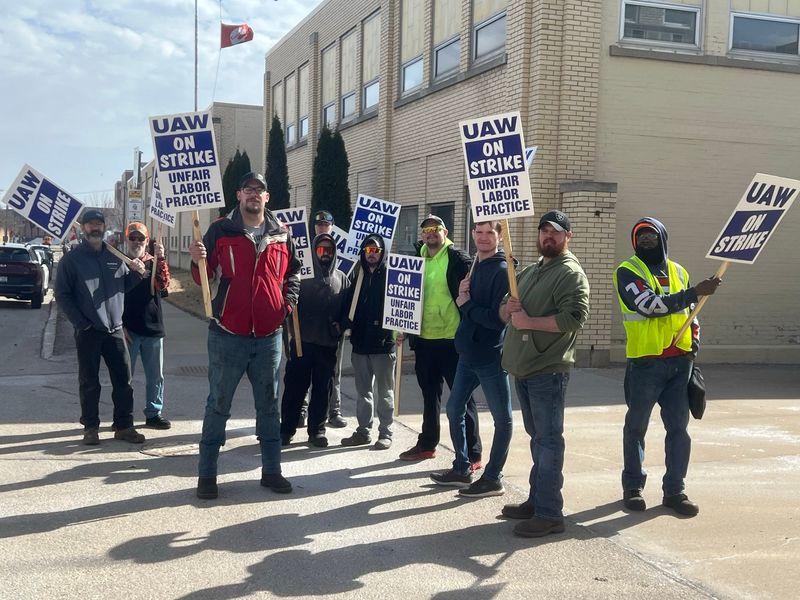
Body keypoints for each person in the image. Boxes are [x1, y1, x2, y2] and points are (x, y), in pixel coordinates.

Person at [189, 172, 300, 499]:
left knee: (269, 407)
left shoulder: (282, 234)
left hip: (269, 337)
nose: (254, 194)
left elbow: (293, 274)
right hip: (228, 335)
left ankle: (271, 471)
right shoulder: (220, 230)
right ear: (239, 195)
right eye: (248, 189)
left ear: (267, 197)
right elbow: (204, 281)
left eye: (260, 190)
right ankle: (207, 475)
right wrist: (197, 262)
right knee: (218, 405)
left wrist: (287, 306)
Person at [615, 217, 721, 517]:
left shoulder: (679, 271)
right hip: (646, 362)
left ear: (663, 237)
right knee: (636, 427)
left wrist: (693, 345)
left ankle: (675, 490)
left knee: (679, 429)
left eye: (651, 235)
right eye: (641, 237)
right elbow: (648, 306)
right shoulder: (627, 271)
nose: (646, 241)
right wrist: (694, 292)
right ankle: (633, 488)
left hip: (680, 363)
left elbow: (692, 313)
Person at [499, 210, 590, 538]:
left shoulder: (570, 273)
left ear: (568, 236)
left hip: (548, 370)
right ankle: (537, 501)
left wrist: (529, 323)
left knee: (549, 442)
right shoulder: (531, 270)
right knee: (539, 440)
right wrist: (507, 310)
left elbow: (574, 318)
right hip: (524, 367)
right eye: (544, 231)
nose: (548, 236)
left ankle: (550, 513)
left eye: (555, 232)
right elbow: (505, 308)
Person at [431, 221, 512, 497]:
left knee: (503, 418)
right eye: (479, 232)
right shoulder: (476, 264)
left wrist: (465, 303)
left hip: (490, 356)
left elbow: (496, 320)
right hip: (467, 354)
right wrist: (463, 297)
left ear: (500, 236)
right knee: (454, 409)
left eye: (490, 232)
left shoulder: (504, 271)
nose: (484, 237)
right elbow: (469, 310)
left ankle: (493, 477)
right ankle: (461, 468)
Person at [55, 209, 148, 446]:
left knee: (123, 381)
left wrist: (137, 274)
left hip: (114, 329)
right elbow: (63, 295)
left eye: (99, 224)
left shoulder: (115, 255)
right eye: (90, 224)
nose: (95, 228)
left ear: (104, 227)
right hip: (89, 331)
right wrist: (81, 323)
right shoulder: (72, 260)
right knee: (89, 381)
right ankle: (90, 427)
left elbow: (124, 286)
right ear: (82, 228)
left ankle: (124, 426)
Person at [398, 215, 482, 467]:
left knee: (463, 398)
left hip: (453, 341)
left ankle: (473, 453)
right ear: (422, 235)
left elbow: (476, 287)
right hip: (424, 340)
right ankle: (427, 444)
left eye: (436, 229)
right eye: (426, 230)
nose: (431, 233)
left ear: (445, 232)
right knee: (429, 396)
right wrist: (399, 328)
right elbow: (402, 298)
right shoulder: (414, 261)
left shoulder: (458, 259)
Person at [280, 233, 349, 448]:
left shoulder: (342, 278)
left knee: (322, 391)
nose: (325, 254)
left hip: (327, 346)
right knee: (294, 389)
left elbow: (348, 308)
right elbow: (288, 297)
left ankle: (317, 431)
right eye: (320, 250)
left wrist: (342, 325)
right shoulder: (302, 274)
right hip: (301, 343)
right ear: (313, 251)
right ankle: (286, 430)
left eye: (329, 250)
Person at [340, 235, 395, 450]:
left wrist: (400, 332)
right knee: (363, 392)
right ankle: (363, 431)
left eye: (376, 249)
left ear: (382, 252)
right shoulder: (357, 276)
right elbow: (347, 304)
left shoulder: (392, 276)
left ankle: (386, 432)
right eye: (368, 249)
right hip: (360, 345)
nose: (372, 253)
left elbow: (405, 305)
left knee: (385, 393)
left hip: (383, 346)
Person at [122, 222, 172, 429]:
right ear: (127, 240)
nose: (136, 242)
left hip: (153, 328)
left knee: (156, 376)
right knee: (124, 377)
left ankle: (153, 413)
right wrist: (120, 326)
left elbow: (163, 286)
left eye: (140, 238)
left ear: (147, 241)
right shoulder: (119, 263)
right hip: (128, 330)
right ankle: (124, 416)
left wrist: (161, 259)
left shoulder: (154, 263)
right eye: (132, 238)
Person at [311, 209, 348, 429]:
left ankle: (334, 411)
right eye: (319, 224)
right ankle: (304, 410)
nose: (322, 227)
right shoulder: (306, 252)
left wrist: (344, 322)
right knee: (305, 370)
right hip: (309, 323)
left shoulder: (345, 255)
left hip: (334, 325)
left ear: (332, 226)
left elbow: (349, 288)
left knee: (335, 370)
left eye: (326, 224)